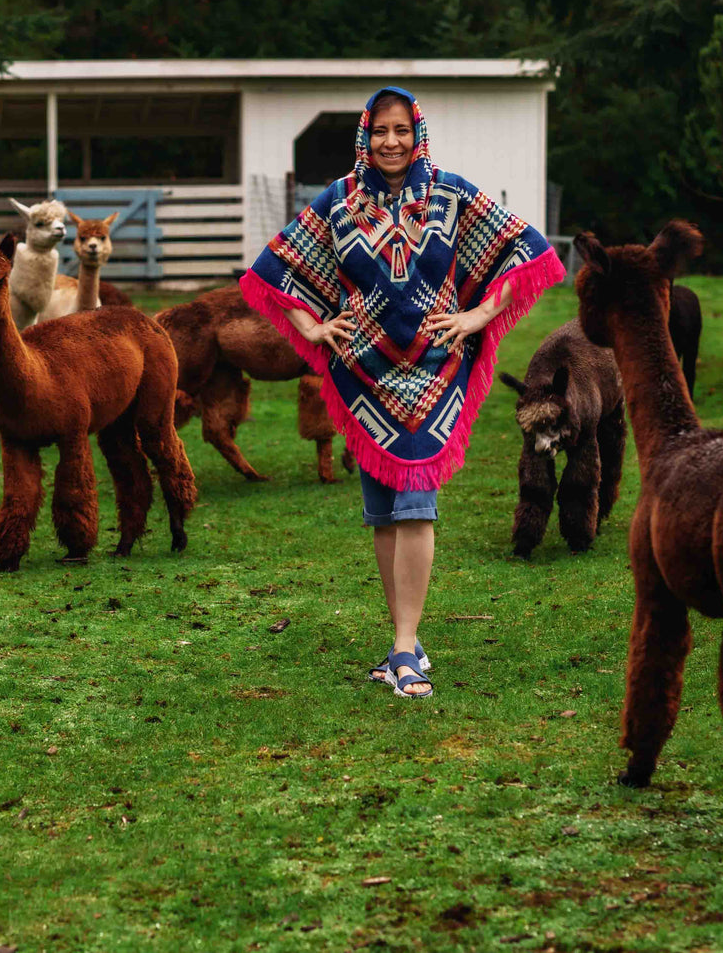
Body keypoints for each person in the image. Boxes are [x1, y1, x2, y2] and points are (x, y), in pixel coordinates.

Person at [240, 87, 563, 698]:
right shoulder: (338, 202)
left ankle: (407, 647)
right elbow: (276, 270)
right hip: (362, 373)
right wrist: (312, 326)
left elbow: (524, 252)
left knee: (416, 507)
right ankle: (401, 642)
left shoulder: (451, 193)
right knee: (383, 515)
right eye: (380, 130)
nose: (391, 141)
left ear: (417, 133)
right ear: (366, 135)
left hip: (437, 371)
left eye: (401, 130)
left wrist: (474, 319)